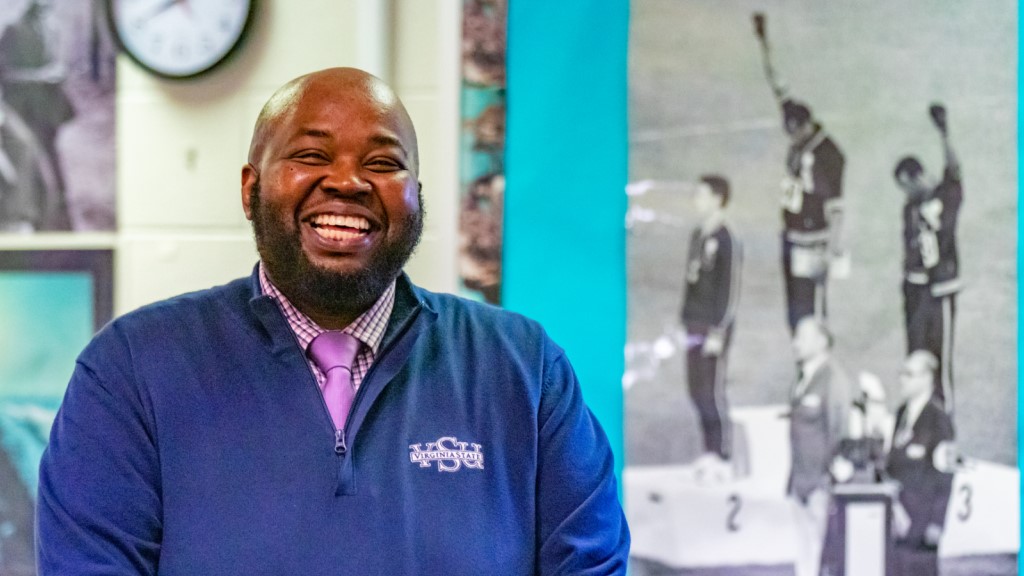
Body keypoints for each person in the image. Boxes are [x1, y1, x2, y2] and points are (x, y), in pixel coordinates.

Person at [35, 67, 629, 575]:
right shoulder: (134, 369)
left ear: (416, 198)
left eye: (382, 162)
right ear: (250, 189)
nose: (347, 182)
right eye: (311, 155)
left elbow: (591, 562)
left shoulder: (521, 368)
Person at [894, 103, 962, 413]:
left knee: (939, 360)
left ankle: (944, 425)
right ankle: (920, 420)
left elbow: (954, 172)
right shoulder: (908, 208)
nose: (905, 193)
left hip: (940, 292)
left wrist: (944, 133)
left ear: (918, 176)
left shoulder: (943, 196)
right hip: (915, 292)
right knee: (915, 357)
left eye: (907, 186)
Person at [679, 175, 741, 481]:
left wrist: (718, 331)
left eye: (701, 195)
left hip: (713, 328)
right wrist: (683, 320)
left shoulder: (727, 238)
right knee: (694, 388)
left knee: (711, 389)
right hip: (693, 325)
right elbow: (690, 283)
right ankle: (708, 451)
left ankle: (722, 454)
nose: (696, 200)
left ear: (718, 199)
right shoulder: (697, 235)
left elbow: (729, 290)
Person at [0, 0, 73, 230]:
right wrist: (40, 76)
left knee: (48, 162)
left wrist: (54, 75)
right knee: (26, 153)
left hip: (45, 107)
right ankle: (24, 217)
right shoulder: (13, 30)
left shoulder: (52, 27)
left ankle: (53, 216)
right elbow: (7, 75)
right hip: (19, 107)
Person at [786, 316, 849, 576]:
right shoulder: (801, 380)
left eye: (802, 337)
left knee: (821, 554)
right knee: (804, 552)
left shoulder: (833, 379)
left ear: (822, 341)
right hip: (799, 482)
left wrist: (825, 477)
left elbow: (839, 431)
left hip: (819, 484)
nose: (794, 343)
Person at [886, 350, 956, 576]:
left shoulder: (939, 420)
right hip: (898, 520)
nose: (901, 379)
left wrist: (937, 522)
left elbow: (946, 475)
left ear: (926, 378)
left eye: (908, 374)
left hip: (923, 524)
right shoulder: (901, 414)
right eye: (901, 373)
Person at [778, 100, 845, 333]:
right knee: (795, 311)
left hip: (813, 241)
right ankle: (801, 363)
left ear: (807, 125)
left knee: (812, 312)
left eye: (795, 131)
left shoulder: (828, 153)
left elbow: (836, 206)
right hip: (790, 237)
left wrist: (832, 246)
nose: (791, 137)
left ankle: (815, 362)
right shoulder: (798, 148)